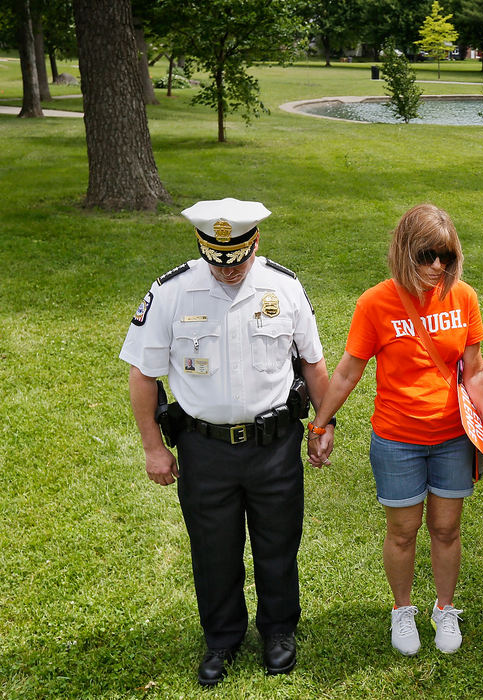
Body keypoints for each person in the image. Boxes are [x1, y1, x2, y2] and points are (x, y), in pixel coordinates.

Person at [120, 198, 331, 687]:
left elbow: (313, 364)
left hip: (275, 444)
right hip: (204, 447)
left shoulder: (284, 286)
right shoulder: (172, 293)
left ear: (254, 243)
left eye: (238, 260)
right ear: (204, 249)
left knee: (278, 544)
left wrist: (324, 425)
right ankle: (222, 637)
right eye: (219, 262)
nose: (229, 271)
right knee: (213, 549)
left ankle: (279, 631)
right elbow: (142, 374)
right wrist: (154, 447)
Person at [307, 204, 483, 656]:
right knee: (402, 530)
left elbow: (474, 370)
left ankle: (444, 608)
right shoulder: (376, 303)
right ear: (404, 252)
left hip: (454, 437)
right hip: (397, 440)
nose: (438, 266)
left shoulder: (465, 298)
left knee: (447, 529)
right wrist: (320, 423)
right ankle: (402, 611)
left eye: (447, 256)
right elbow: (346, 373)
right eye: (427, 255)